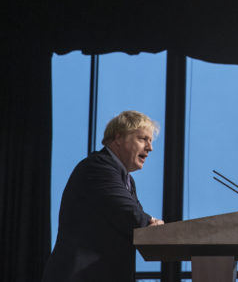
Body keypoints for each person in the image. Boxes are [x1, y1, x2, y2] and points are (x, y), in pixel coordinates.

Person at [43, 110, 165, 282]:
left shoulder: (126, 180)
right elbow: (129, 214)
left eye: (150, 141)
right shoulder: (98, 167)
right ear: (118, 138)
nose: (150, 148)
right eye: (142, 139)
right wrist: (152, 222)